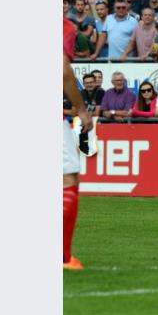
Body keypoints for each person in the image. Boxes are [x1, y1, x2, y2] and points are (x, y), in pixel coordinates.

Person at [62, 19, 93, 270]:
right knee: (68, 179)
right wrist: (81, 110)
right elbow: (62, 71)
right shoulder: (63, 26)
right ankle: (63, 257)